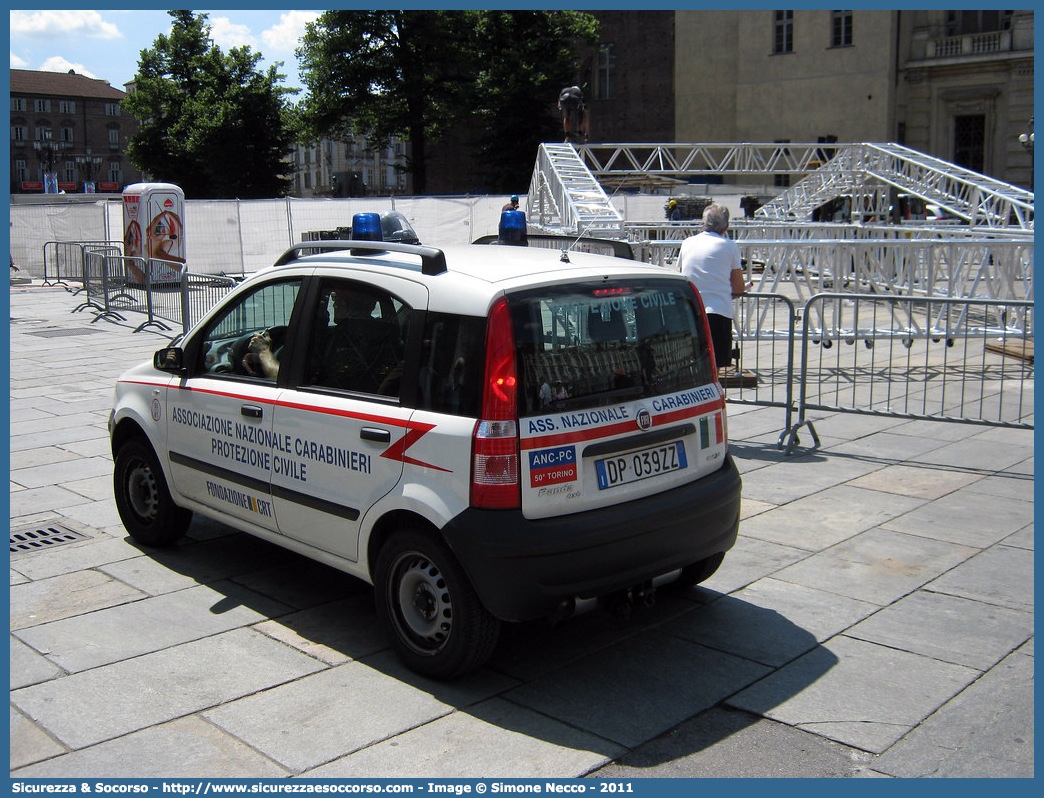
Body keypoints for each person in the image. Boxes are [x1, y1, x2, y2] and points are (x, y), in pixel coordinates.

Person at [678, 203, 750, 371]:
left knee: (692, 365)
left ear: (703, 223)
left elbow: (684, 274)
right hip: (717, 310)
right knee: (714, 367)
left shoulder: (687, 243)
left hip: (690, 310)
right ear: (726, 225)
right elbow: (738, 287)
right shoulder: (728, 245)